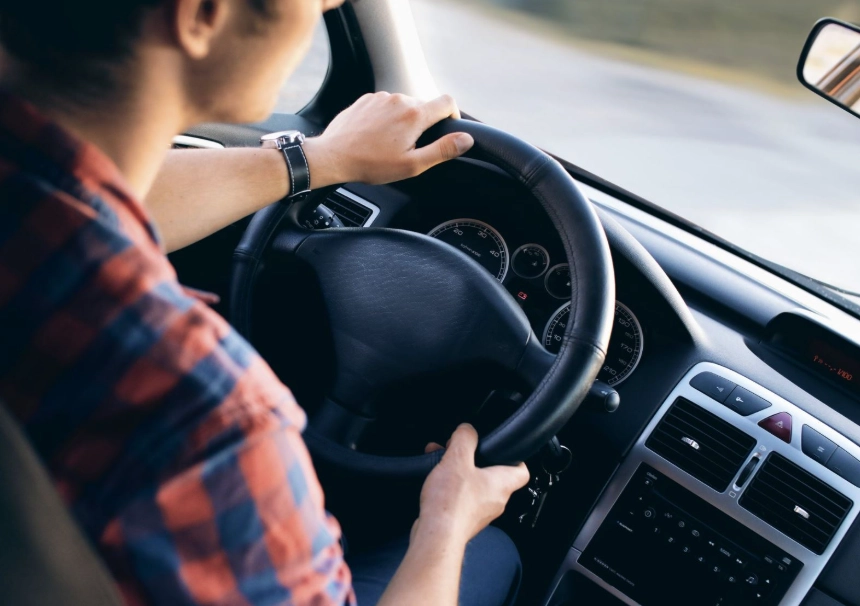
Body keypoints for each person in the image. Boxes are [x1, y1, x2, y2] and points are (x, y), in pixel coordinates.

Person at [0, 0, 530, 605]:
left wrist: (325, 158)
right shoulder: (203, 417)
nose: (330, 4)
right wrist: (445, 524)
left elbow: (100, 199)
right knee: (490, 553)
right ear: (201, 14)